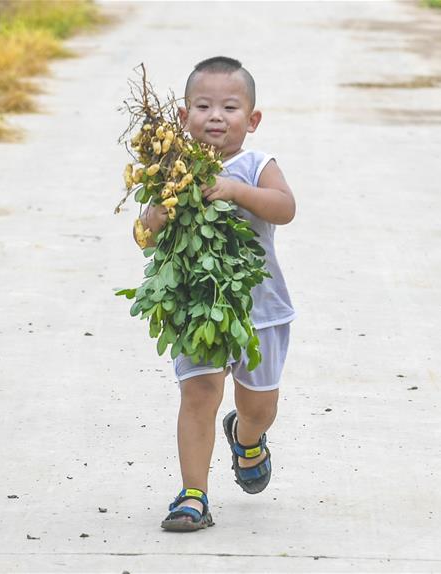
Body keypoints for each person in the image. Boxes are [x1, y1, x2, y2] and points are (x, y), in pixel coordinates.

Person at [132, 56, 296, 532]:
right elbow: (143, 234)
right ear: (183, 118)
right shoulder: (171, 169)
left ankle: (247, 440)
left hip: (259, 310)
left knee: (258, 407)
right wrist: (158, 214)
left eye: (229, 106)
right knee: (200, 394)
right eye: (202, 106)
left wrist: (233, 190)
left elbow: (285, 208)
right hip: (193, 307)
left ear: (253, 119)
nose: (216, 116)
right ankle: (193, 495)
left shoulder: (255, 165)